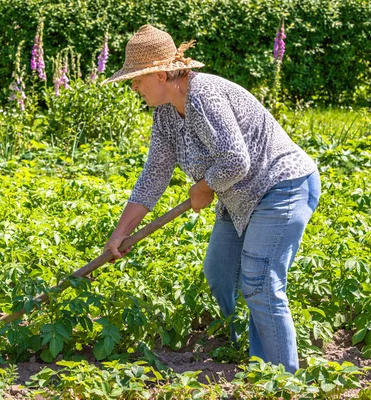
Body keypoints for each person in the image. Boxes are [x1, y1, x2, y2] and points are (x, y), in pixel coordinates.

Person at [102, 24, 320, 373]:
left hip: (281, 187)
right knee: (219, 273)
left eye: (137, 78)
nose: (133, 86)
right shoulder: (166, 114)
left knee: (260, 282)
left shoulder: (205, 96)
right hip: (237, 196)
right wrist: (120, 233)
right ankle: (243, 351)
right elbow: (155, 174)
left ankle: (282, 379)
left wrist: (204, 187)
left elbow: (236, 159)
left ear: (159, 74)